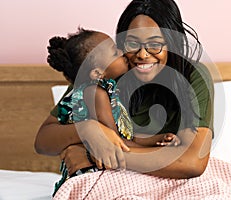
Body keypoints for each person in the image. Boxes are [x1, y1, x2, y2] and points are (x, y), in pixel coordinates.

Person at [34, 0, 213, 183]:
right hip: (108, 181)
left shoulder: (192, 75)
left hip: (165, 181)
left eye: (155, 44)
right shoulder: (99, 74)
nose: (142, 55)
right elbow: (43, 141)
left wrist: (92, 156)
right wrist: (86, 129)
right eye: (132, 43)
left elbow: (192, 162)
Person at [46, 28, 182, 194]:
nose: (121, 52)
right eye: (114, 52)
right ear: (97, 73)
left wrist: (157, 139)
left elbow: (123, 137)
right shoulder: (95, 93)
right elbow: (116, 144)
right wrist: (158, 151)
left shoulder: (105, 91)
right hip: (91, 177)